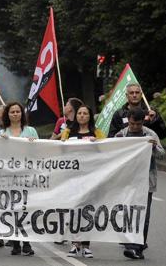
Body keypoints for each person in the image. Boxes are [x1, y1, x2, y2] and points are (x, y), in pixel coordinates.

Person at [114, 107, 164, 260]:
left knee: (144, 214)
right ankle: (131, 245)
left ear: (143, 122)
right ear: (128, 121)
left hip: (146, 182)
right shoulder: (121, 135)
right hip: (127, 180)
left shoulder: (150, 134)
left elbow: (162, 154)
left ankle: (138, 247)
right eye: (132, 124)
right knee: (128, 212)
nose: (135, 127)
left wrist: (154, 146)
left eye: (138, 124)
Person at [60, 105, 105, 258]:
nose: (82, 116)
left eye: (85, 113)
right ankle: (74, 243)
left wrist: (97, 143)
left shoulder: (97, 133)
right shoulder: (67, 132)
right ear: (76, 116)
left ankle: (86, 245)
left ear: (90, 116)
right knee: (74, 210)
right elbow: (60, 151)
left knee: (88, 211)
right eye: (79, 113)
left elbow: (107, 151)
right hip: (72, 178)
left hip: (91, 178)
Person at [0, 101, 37, 256]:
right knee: (12, 209)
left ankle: (27, 242)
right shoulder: (1, 133)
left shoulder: (31, 131)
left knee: (26, 209)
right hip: (8, 177)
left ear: (22, 113)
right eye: (12, 112)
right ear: (7, 115)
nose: (15, 114)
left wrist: (34, 144)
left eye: (18, 111)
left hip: (27, 176)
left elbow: (39, 151)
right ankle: (15, 243)